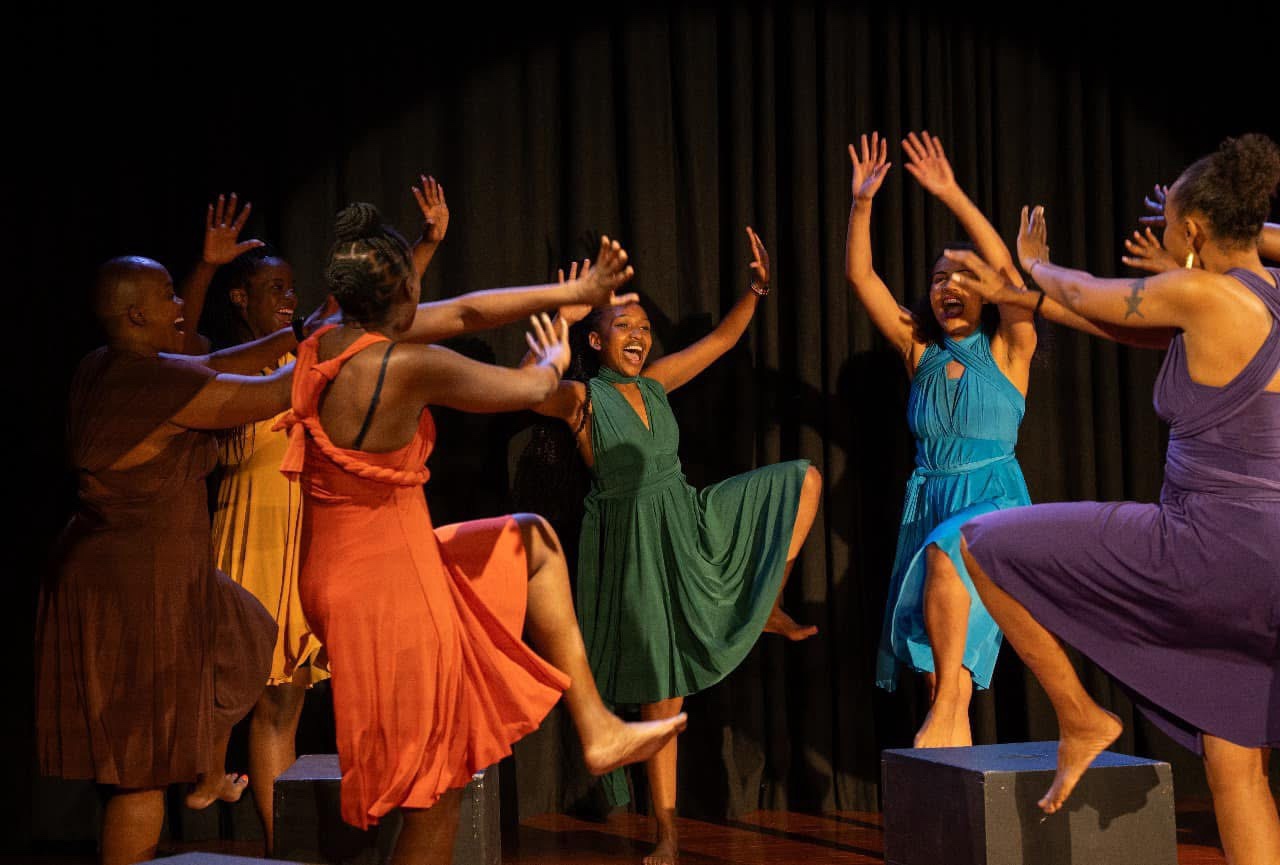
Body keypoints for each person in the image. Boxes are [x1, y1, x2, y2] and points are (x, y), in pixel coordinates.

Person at [280, 202, 686, 865]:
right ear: (400, 296)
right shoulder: (402, 366)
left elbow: (470, 311)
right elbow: (523, 387)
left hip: (353, 566)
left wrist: (574, 293)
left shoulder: (326, 334)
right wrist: (552, 354)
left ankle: (597, 727)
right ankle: (596, 728)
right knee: (433, 792)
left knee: (532, 539)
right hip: (386, 583)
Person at [949, 134, 1280, 865]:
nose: (1163, 228)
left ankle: (1080, 716)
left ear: (1193, 229)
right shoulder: (1265, 299)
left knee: (982, 542)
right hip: (1268, 565)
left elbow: (1083, 291)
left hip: (1211, 545)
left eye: (1173, 217)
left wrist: (1034, 264)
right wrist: (1022, 296)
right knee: (1235, 761)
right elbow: (1116, 325)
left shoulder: (1198, 293)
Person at [530, 226, 822, 865]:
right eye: (622, 326)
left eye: (642, 326)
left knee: (803, 481)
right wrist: (560, 313)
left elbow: (721, 340)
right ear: (596, 340)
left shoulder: (658, 381)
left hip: (687, 520)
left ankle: (767, 602)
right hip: (633, 548)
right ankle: (667, 835)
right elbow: (527, 386)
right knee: (662, 695)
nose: (638, 335)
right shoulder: (582, 399)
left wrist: (755, 290)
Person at [178, 178, 449, 851]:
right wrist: (208, 266)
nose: (289, 298)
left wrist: (427, 243)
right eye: (276, 287)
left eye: (293, 287)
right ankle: (212, 779)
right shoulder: (226, 361)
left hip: (305, 532)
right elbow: (176, 352)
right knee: (247, 690)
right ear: (242, 297)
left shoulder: (316, 342)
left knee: (286, 703)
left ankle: (282, 846)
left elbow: (386, 304)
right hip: (248, 535)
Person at [35, 253, 321, 865]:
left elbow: (216, 362)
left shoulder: (106, 365)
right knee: (139, 775)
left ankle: (204, 767)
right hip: (136, 588)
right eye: (168, 296)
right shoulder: (149, 383)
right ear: (136, 313)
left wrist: (306, 331)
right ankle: (190, 777)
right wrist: (344, 341)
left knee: (244, 631)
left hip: (150, 574)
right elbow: (272, 391)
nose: (180, 307)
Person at [844, 131, 1036, 747]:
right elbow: (860, 276)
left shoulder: (1011, 347)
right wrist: (863, 204)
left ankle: (953, 704)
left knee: (945, 556)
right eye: (937, 277)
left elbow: (1009, 273)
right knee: (932, 663)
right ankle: (956, 787)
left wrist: (950, 192)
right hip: (930, 499)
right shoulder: (919, 351)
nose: (948, 286)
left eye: (962, 277)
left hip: (994, 499)